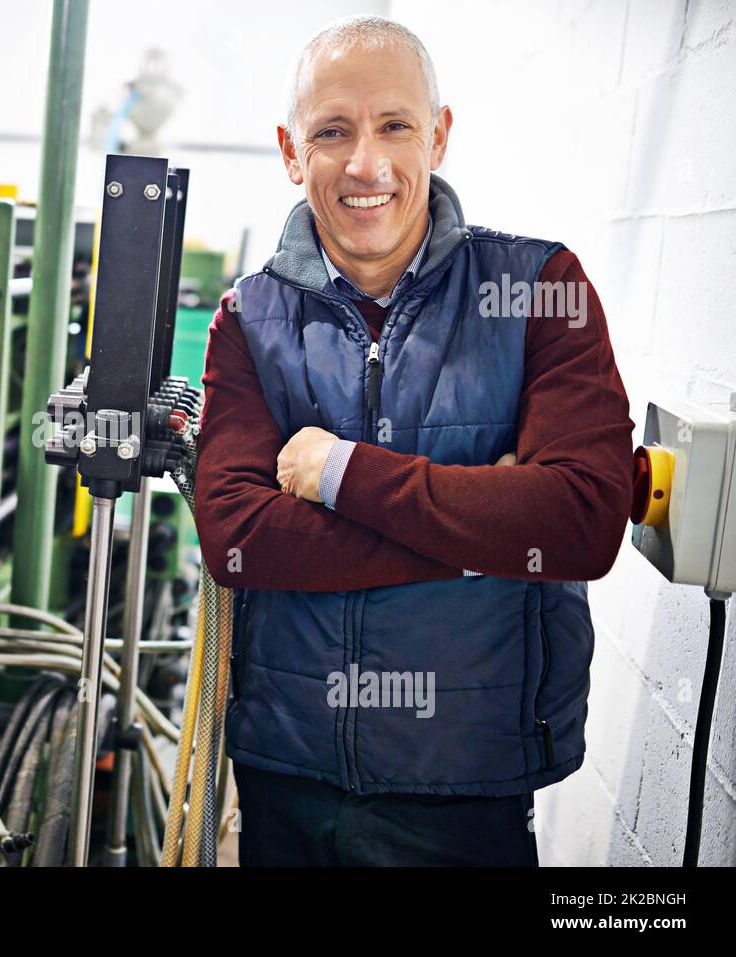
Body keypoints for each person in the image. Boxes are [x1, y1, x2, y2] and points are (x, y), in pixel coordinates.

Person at [193, 15, 634, 866]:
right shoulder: (249, 318)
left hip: (465, 790)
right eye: (332, 132)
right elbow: (236, 539)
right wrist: (478, 536)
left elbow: (580, 522)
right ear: (292, 151)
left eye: (395, 125)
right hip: (286, 781)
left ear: (438, 134)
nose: (366, 163)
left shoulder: (542, 289)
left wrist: (339, 471)